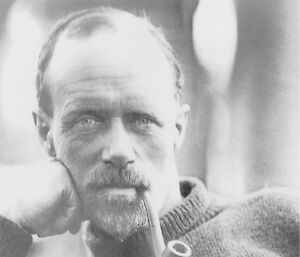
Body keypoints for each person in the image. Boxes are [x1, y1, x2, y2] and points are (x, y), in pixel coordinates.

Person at [0, 7, 299, 257]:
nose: (118, 149)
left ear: (178, 127)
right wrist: (13, 225)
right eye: (88, 121)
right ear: (45, 132)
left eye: (141, 120)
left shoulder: (282, 223)